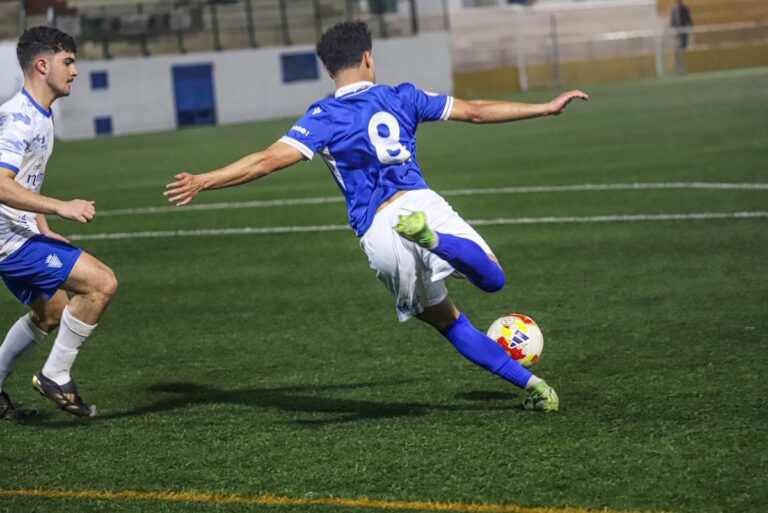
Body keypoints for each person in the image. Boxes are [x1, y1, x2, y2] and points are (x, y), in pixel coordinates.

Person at [165, 21, 587, 411]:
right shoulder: (401, 95)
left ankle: (536, 388)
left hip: (380, 233)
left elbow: (266, 161)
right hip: (421, 206)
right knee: (493, 279)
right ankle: (438, 242)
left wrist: (204, 179)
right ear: (368, 57)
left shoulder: (323, 116)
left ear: (329, 71)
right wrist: (545, 108)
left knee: (448, 322)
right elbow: (475, 110)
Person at [0, 27, 118, 419]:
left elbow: (24, 177)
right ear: (42, 64)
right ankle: (55, 374)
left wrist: (42, 225)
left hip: (20, 234)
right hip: (9, 242)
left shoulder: (40, 115)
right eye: (68, 62)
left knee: (51, 312)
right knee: (102, 283)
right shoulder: (19, 120)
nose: (75, 71)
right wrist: (59, 207)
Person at [670, 0, 693, 73]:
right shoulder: (674, 10)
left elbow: (689, 19)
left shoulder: (685, 8)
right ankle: (679, 66)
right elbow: (672, 21)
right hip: (677, 33)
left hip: (684, 31)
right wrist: (673, 30)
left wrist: (689, 28)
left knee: (683, 47)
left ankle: (684, 66)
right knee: (678, 49)